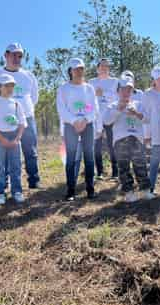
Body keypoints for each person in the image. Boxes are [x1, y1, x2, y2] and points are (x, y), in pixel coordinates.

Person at [0, 43, 40, 188]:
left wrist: (22, 110)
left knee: (31, 150)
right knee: (3, 152)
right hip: (2, 121)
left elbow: (34, 98)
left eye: (20, 55)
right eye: (13, 54)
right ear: (6, 55)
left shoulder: (29, 76)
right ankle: (4, 183)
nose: (17, 58)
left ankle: (34, 181)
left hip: (26, 118)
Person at [103, 76, 155, 202]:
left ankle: (145, 191)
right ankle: (129, 192)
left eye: (129, 89)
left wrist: (136, 113)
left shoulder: (138, 104)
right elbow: (106, 121)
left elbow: (148, 119)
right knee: (124, 167)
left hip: (137, 138)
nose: (126, 92)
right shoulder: (113, 105)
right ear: (118, 91)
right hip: (121, 140)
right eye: (123, 89)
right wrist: (119, 109)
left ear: (132, 91)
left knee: (140, 164)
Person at [57, 58, 100, 201]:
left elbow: (93, 108)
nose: (79, 71)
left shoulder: (89, 88)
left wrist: (85, 120)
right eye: (76, 69)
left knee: (89, 157)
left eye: (81, 68)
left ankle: (90, 189)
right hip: (71, 126)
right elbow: (62, 109)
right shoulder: (63, 88)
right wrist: (74, 121)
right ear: (70, 71)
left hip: (87, 125)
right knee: (71, 158)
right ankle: (70, 191)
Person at [0, 74, 27, 205]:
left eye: (12, 85)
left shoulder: (17, 103)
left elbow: (22, 123)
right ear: (0, 87)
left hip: (14, 138)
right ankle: (0, 193)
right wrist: (2, 139)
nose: (10, 88)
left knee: (16, 166)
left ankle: (17, 191)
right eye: (7, 85)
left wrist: (17, 139)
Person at [89, 58, 118, 179]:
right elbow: (88, 99)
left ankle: (115, 172)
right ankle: (100, 172)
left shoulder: (115, 81)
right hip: (96, 117)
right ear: (97, 68)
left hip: (110, 117)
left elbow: (117, 97)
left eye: (106, 66)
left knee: (113, 145)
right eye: (102, 66)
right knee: (97, 146)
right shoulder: (91, 82)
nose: (104, 68)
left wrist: (104, 94)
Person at [142, 67, 160, 193]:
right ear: (154, 79)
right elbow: (146, 115)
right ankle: (150, 188)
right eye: (159, 78)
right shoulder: (148, 94)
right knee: (155, 161)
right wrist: (147, 134)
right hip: (156, 132)